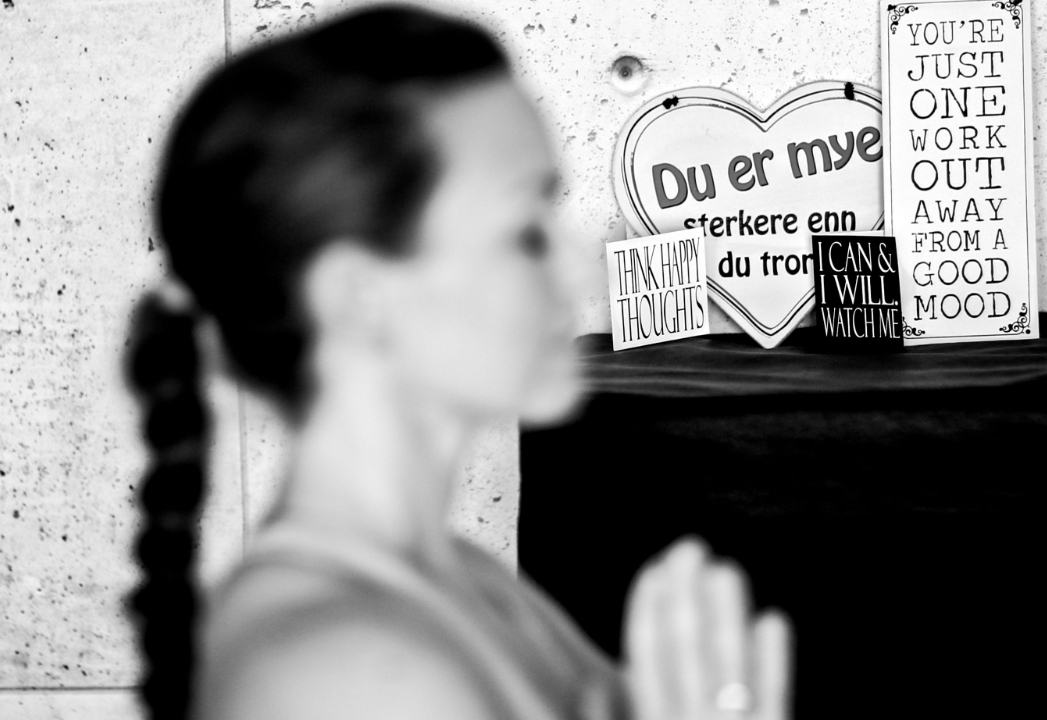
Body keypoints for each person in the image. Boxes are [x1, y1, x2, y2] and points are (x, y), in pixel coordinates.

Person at [125, 6, 791, 720]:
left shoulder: (463, 581)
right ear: (357, 295)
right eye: (525, 232)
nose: (579, 272)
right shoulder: (348, 675)